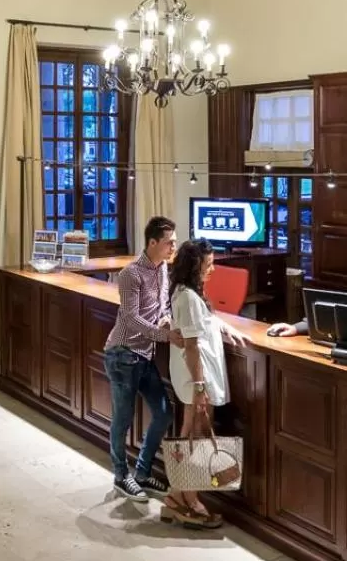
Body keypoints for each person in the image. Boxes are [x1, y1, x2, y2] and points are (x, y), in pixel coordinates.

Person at [161, 238, 247, 529]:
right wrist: (199, 386)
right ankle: (191, 500)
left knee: (190, 435)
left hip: (194, 377)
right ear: (194, 266)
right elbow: (192, 346)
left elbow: (202, 321)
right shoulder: (186, 297)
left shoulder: (186, 293)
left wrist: (222, 324)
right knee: (195, 439)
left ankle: (176, 497)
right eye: (208, 265)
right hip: (196, 378)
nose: (212, 270)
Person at [103, 216, 178, 503]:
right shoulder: (130, 273)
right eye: (169, 242)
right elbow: (132, 319)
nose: (173, 246)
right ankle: (121, 476)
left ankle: (143, 473)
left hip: (145, 355)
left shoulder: (162, 269)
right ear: (152, 242)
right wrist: (164, 337)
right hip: (123, 354)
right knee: (122, 420)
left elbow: (163, 306)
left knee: (163, 413)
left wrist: (168, 320)